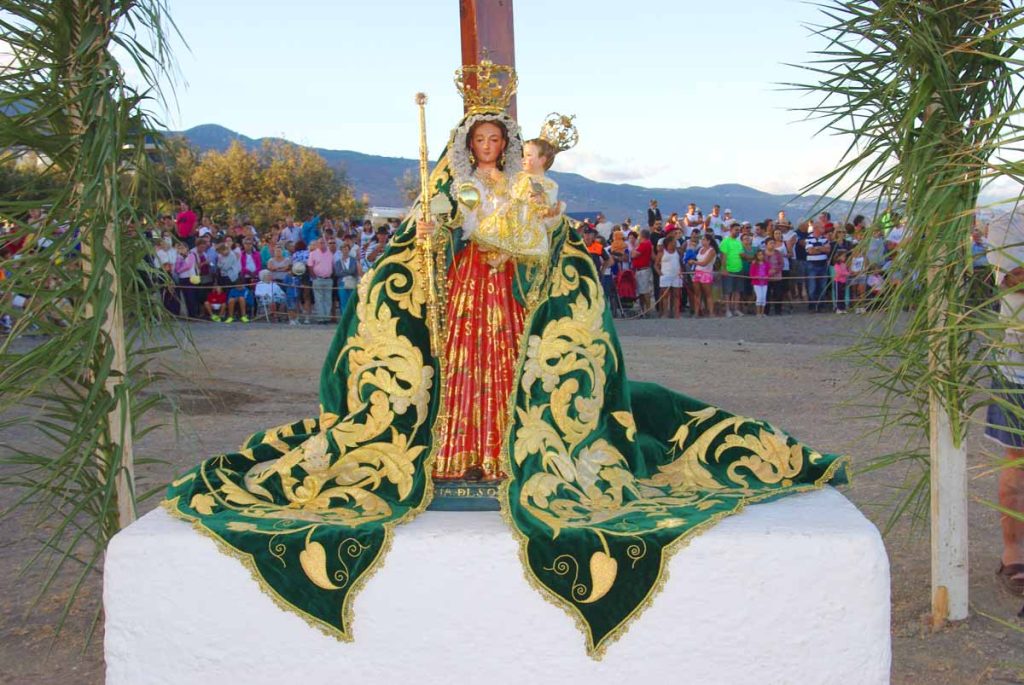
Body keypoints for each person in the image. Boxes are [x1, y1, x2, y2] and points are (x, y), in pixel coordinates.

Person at [166, 73, 845, 653]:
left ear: (507, 145)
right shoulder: (458, 188)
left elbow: (536, 238)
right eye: (480, 140)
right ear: (468, 145)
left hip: (509, 292)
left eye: (497, 140)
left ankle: (503, 451)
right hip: (468, 292)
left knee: (511, 370)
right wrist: (429, 233)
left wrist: (528, 221)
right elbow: (433, 243)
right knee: (464, 370)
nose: (488, 148)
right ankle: (462, 451)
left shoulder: (528, 187)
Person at [985, 212, 1024, 598]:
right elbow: (1013, 279)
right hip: (1020, 365)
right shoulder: (1010, 219)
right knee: (1018, 464)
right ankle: (1014, 554)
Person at [805, 219, 832, 312]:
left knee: (822, 286)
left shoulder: (824, 239)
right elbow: (810, 251)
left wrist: (817, 248)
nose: (823, 228)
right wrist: (822, 248)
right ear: (816, 228)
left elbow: (828, 250)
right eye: (821, 227)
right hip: (811, 265)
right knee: (812, 287)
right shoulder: (808, 238)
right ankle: (812, 305)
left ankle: (821, 306)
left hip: (823, 264)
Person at [307, 236, 335, 324]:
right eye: (320, 243)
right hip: (318, 279)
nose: (322, 244)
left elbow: (333, 265)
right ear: (317, 244)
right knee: (318, 299)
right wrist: (314, 277)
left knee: (328, 299)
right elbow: (310, 266)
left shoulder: (330, 253)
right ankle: (320, 318)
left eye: (323, 243)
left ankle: (326, 318)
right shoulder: (313, 253)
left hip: (328, 279)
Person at [719, 222, 744, 317]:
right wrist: (724, 268)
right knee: (727, 291)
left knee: (737, 291)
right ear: (731, 230)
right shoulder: (725, 241)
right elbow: (723, 256)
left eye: (739, 230)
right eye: (736, 230)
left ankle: (736, 309)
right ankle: (727, 310)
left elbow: (741, 254)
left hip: (738, 269)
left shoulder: (738, 242)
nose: (737, 232)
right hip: (728, 269)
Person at [654, 235, 682, 318]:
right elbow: (655, 265)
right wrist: (660, 273)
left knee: (676, 295)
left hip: (676, 275)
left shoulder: (677, 252)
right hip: (665, 276)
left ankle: (676, 313)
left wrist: (680, 270)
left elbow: (679, 262)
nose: (675, 243)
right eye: (673, 242)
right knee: (665, 295)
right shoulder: (662, 252)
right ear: (669, 243)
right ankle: (665, 313)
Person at [335, 235, 360, 316]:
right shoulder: (338, 262)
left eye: (346, 249)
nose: (345, 251)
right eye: (343, 249)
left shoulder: (353, 260)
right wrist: (348, 272)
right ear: (341, 250)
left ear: (349, 250)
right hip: (342, 283)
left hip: (352, 282)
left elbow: (354, 271)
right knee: (343, 302)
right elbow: (338, 273)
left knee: (352, 301)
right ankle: (344, 318)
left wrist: (345, 271)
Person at [693, 233, 716, 317]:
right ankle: (696, 312)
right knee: (697, 294)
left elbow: (705, 263)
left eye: (703, 239)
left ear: (708, 241)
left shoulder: (712, 251)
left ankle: (711, 312)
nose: (702, 241)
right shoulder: (700, 249)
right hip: (697, 272)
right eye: (702, 239)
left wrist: (694, 262)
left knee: (708, 294)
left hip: (706, 273)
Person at [633, 229, 654, 316]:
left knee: (645, 291)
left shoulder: (644, 244)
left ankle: (647, 310)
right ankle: (643, 310)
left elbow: (634, 255)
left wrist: (634, 248)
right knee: (641, 291)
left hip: (643, 270)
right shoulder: (648, 244)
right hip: (640, 269)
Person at [765, 237, 785, 316]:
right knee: (766, 295)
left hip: (777, 277)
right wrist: (767, 271)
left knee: (778, 294)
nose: (772, 245)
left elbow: (781, 264)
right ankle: (766, 311)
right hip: (765, 277)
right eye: (770, 243)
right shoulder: (762, 253)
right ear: (766, 245)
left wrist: (775, 270)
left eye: (773, 243)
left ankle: (778, 310)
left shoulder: (778, 253)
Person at [749, 249, 770, 317]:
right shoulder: (754, 264)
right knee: (759, 296)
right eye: (759, 255)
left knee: (763, 297)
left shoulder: (766, 263)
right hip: (757, 283)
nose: (761, 256)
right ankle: (758, 312)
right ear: (756, 256)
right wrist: (757, 276)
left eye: (762, 254)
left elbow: (768, 272)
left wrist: (767, 276)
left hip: (764, 283)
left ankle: (762, 312)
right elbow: (751, 274)